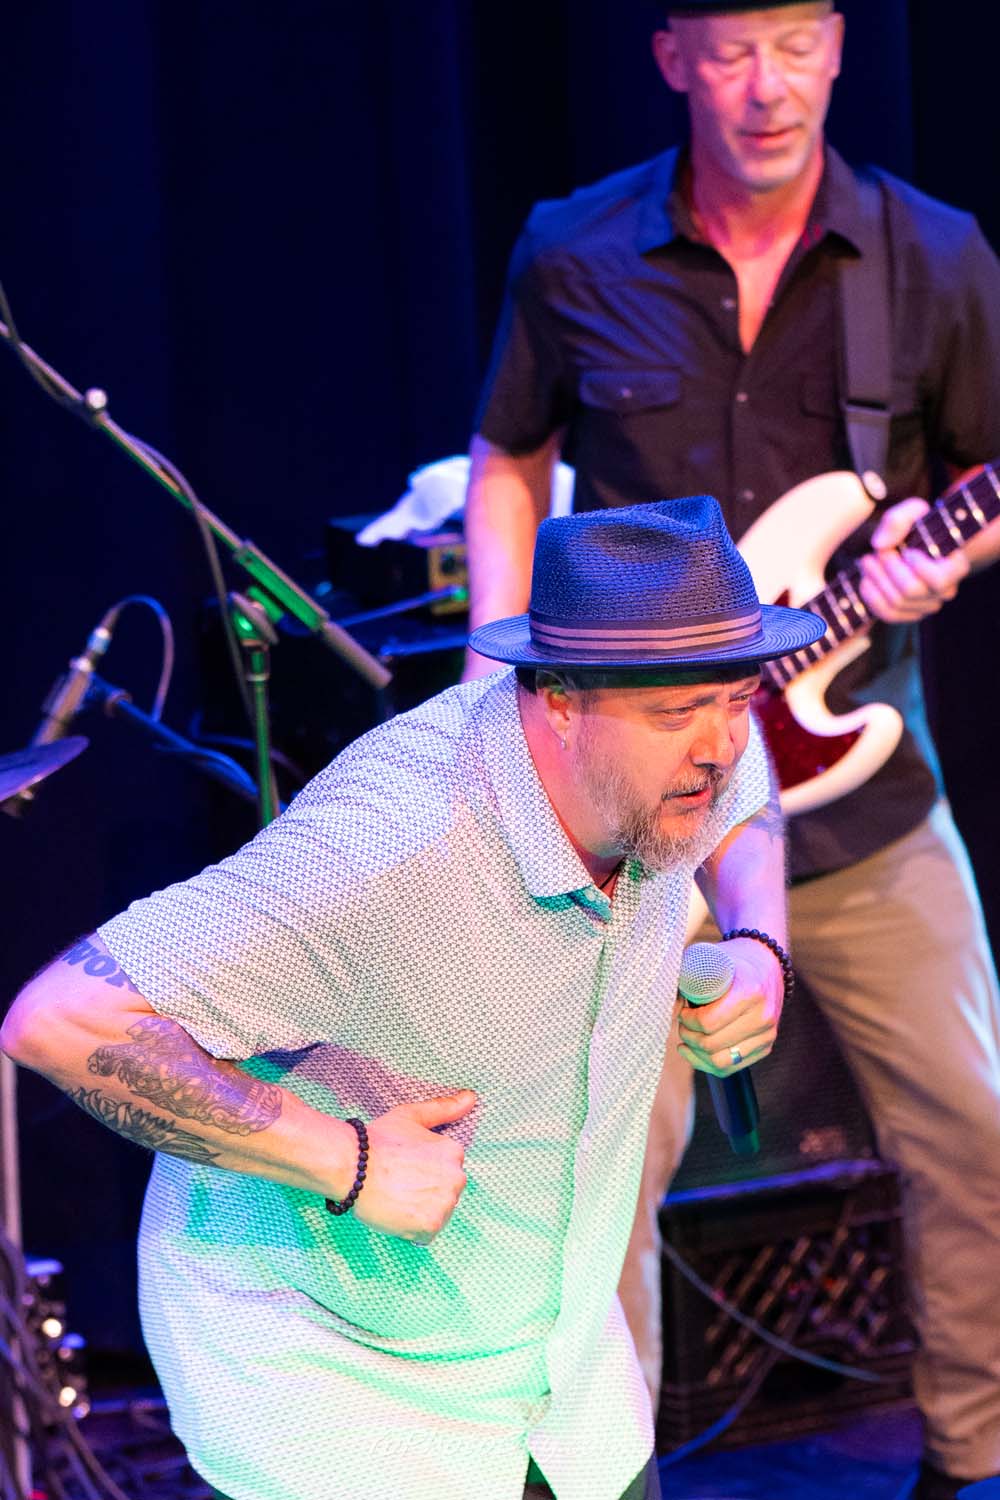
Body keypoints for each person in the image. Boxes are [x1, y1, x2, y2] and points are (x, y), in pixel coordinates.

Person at [1, 498, 823, 1500]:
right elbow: (60, 1021)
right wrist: (341, 1157)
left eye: (737, 697)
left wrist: (758, 943)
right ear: (560, 700)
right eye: (676, 714)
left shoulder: (690, 758)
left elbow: (746, 783)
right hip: (342, 1399)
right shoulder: (393, 840)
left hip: (562, 1386)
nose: (720, 745)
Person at [463, 4, 1000, 1497]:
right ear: (672, 59)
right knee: (592, 1179)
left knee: (978, 1139)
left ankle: (974, 1464)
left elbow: (985, 467)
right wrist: (490, 672)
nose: (769, 86)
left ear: (837, 47)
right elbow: (509, 457)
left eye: (797, 43)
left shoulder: (932, 255)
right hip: (636, 816)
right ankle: (605, 1477)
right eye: (733, 48)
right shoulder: (573, 248)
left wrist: (942, 550)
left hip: (862, 795)